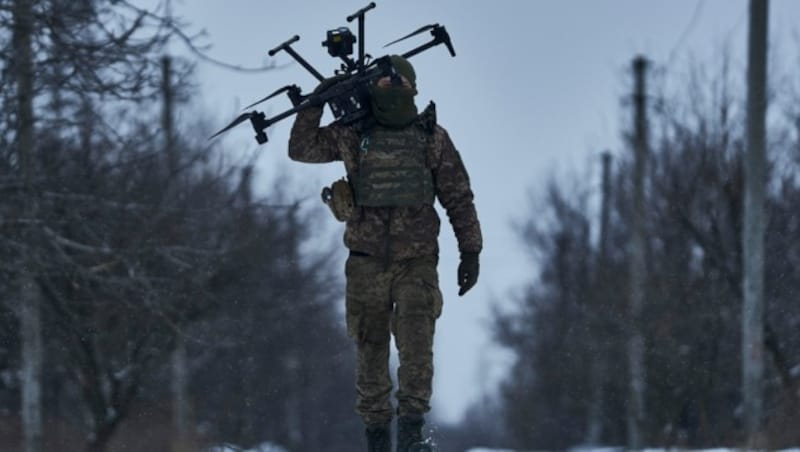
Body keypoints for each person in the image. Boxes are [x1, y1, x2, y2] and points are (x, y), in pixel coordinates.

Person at [288, 55, 482, 452]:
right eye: (384, 85)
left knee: (416, 346)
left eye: (399, 86)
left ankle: (411, 437)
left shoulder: (432, 137)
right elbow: (301, 148)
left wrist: (471, 250)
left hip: (417, 261)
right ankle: (377, 439)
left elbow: (458, 195)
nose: (391, 92)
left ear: (413, 89)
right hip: (365, 259)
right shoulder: (351, 133)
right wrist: (314, 104)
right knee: (370, 348)